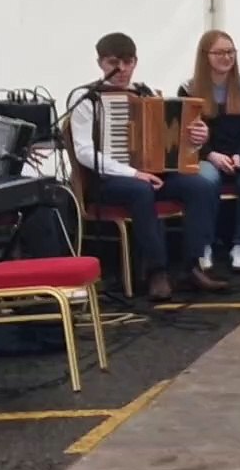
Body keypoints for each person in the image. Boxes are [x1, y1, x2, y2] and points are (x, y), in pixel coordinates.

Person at [68, 32, 227, 300]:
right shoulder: (86, 99)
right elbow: (84, 153)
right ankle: (157, 272)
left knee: (200, 185)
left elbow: (174, 142)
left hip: (149, 175)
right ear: (100, 64)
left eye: (128, 62)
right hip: (106, 181)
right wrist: (134, 172)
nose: (121, 69)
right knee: (140, 190)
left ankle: (191, 266)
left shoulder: (147, 94)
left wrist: (198, 138)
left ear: (135, 62)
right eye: (113, 62)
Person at [177, 30, 240, 273]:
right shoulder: (188, 89)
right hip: (205, 155)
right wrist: (211, 155)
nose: (226, 57)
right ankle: (203, 244)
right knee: (203, 179)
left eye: (230, 52)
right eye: (219, 52)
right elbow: (186, 134)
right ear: (205, 56)